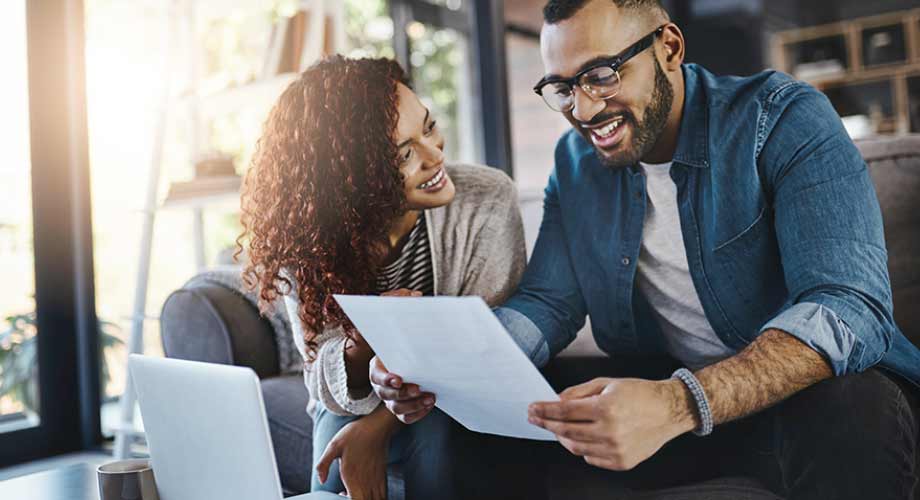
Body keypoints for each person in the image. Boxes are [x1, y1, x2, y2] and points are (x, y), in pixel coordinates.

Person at [370, 1, 920, 499]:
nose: (583, 109)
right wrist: (447, 365)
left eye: (601, 75)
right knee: (463, 423)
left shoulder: (781, 119)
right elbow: (549, 303)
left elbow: (850, 306)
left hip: (799, 404)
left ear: (669, 48)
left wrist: (680, 403)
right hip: (676, 399)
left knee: (852, 406)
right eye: (561, 87)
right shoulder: (575, 164)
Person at [237, 55, 526, 500]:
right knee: (334, 438)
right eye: (406, 154)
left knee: (433, 431)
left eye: (428, 128)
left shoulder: (486, 199)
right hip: (353, 401)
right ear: (352, 179)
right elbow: (322, 381)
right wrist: (362, 344)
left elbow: (485, 350)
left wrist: (375, 429)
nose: (436, 156)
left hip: (455, 396)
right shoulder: (306, 239)